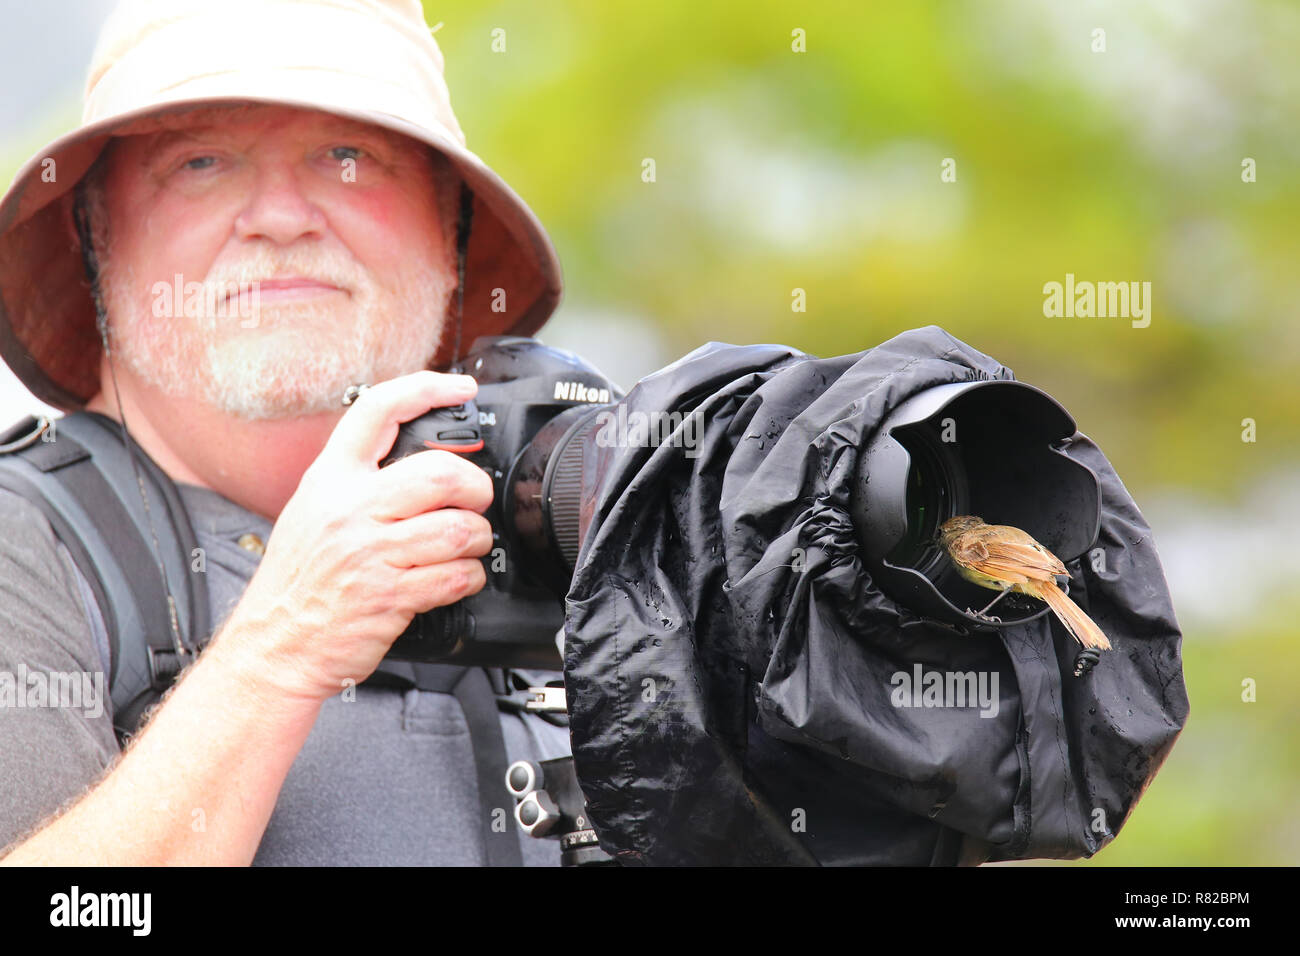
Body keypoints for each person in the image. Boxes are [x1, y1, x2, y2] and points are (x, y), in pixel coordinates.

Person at [0, 0, 570, 865]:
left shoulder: (573, 530)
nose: (279, 214)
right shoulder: (28, 548)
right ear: (95, 236)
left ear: (449, 227)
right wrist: (285, 645)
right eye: (200, 160)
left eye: (348, 155)